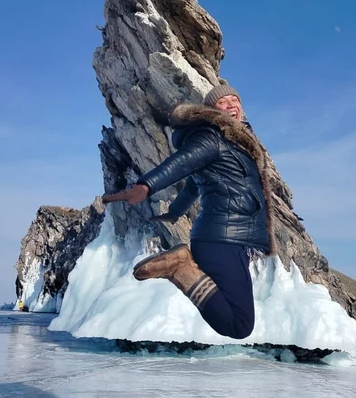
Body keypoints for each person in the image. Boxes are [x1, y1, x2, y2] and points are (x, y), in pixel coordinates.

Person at [102, 85, 274, 339]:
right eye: (222, 103)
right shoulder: (212, 137)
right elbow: (181, 163)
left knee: (240, 321)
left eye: (234, 100)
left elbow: (194, 183)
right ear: (212, 111)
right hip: (220, 239)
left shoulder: (237, 146)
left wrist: (175, 211)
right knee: (239, 325)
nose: (230, 106)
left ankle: (181, 266)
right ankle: (179, 268)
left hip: (234, 240)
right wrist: (146, 185)